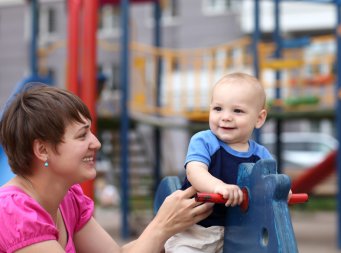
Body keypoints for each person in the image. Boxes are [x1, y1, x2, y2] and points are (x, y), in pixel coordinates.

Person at [0, 84, 213, 253]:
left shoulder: (68, 199)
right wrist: (162, 225)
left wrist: (171, 231)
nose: (96, 143)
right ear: (42, 149)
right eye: (82, 135)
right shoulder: (13, 213)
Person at [165, 72, 275, 253]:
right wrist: (219, 187)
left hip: (240, 233)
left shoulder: (261, 155)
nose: (225, 117)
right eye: (218, 109)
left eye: (237, 111)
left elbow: (271, 182)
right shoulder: (204, 141)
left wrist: (280, 192)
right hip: (195, 230)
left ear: (259, 118)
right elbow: (195, 172)